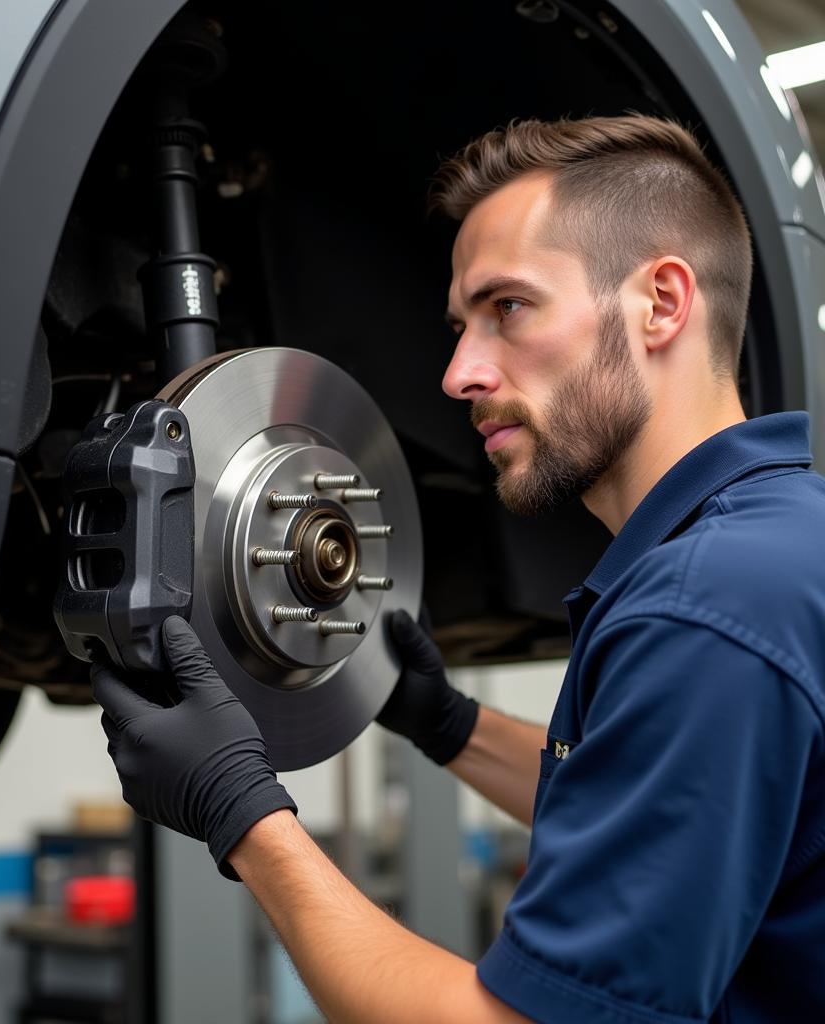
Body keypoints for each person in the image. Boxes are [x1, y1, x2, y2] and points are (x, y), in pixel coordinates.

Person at [93, 115, 825, 1023]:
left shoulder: (706, 607)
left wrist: (243, 814)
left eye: (508, 307)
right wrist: (449, 726)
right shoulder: (776, 548)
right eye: (459, 325)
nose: (457, 373)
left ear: (662, 303)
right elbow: (642, 813)